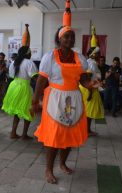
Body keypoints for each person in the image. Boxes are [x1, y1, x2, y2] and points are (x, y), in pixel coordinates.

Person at [31, 26, 88, 184]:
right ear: (59, 39)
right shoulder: (50, 57)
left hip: (74, 99)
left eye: (72, 37)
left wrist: (91, 84)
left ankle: (62, 163)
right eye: (66, 37)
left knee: (69, 134)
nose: (69, 40)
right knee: (54, 135)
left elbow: (83, 79)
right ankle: (49, 169)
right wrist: (34, 101)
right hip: (55, 100)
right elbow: (41, 81)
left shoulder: (79, 58)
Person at [2, 24, 38, 140]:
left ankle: (13, 132)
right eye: (30, 52)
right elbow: (35, 77)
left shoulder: (14, 62)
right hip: (24, 87)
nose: (31, 54)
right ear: (28, 53)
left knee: (18, 111)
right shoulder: (29, 63)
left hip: (14, 86)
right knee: (28, 110)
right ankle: (24, 135)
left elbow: (11, 75)